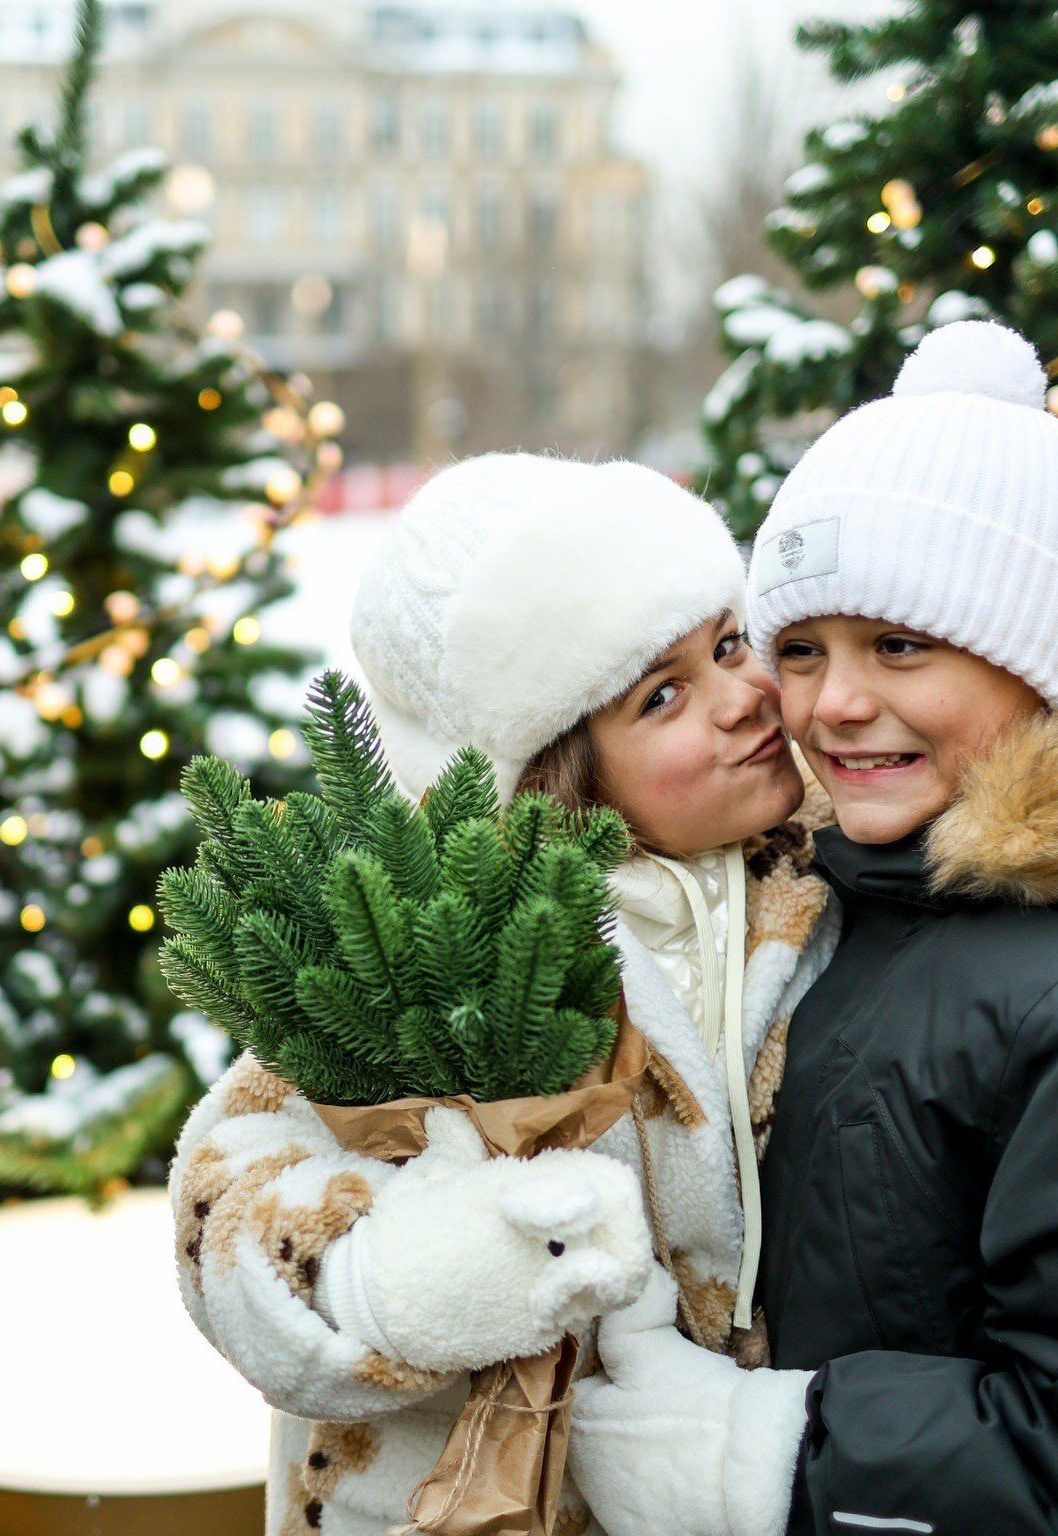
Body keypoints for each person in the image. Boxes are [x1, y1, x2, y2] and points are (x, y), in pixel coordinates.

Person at [567, 321, 1058, 1536]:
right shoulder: (854, 903)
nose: (834, 703)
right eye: (800, 649)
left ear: (1035, 663)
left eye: (901, 645)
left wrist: (756, 1460)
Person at [169, 453, 841, 1536]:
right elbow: (223, 1211)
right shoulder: (434, 945)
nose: (744, 697)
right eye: (663, 694)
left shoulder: (826, 862)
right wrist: (415, 1278)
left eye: (728, 643)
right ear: (554, 772)